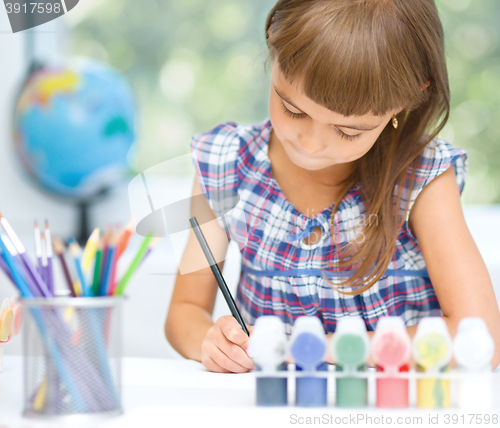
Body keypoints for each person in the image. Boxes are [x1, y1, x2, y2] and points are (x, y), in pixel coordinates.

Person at [165, 0, 500, 373]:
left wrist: (310, 349)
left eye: (348, 131)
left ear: (407, 98)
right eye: (293, 109)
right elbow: (184, 313)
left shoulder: (421, 176)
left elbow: (481, 335)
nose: (309, 144)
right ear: (273, 39)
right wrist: (209, 341)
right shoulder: (224, 163)